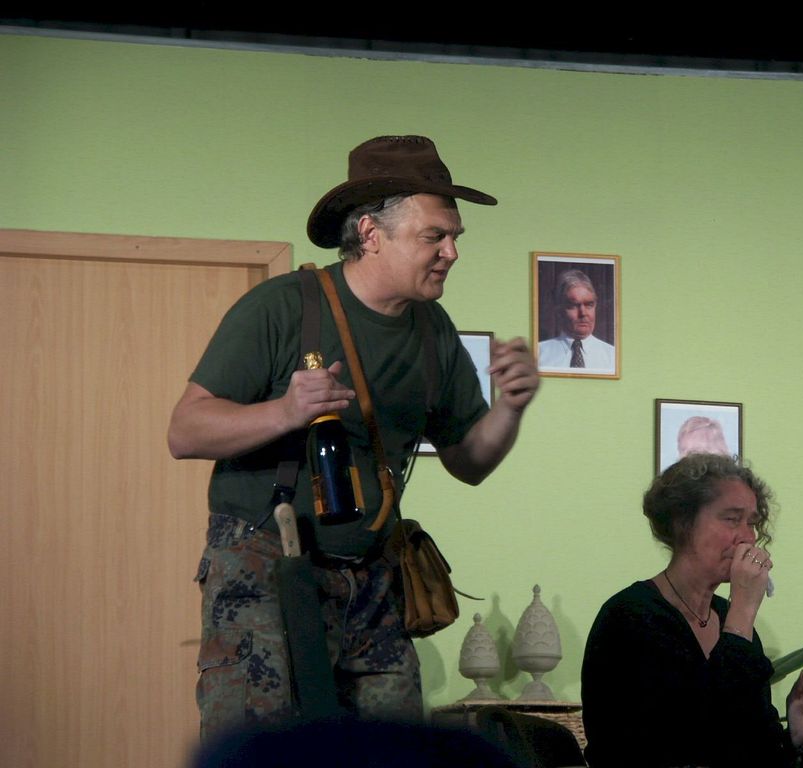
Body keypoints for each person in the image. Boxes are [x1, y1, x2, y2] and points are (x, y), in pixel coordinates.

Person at [167, 134, 540, 740]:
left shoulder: (433, 330)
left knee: (392, 751)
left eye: (455, 237)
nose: (451, 252)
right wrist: (286, 411)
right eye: (434, 236)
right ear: (370, 233)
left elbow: (469, 461)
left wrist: (512, 408)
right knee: (263, 752)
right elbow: (185, 430)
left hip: (371, 576)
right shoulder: (281, 307)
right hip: (268, 568)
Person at [581, 453, 803, 768]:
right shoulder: (630, 616)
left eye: (752, 523)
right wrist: (743, 610)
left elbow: (748, 749)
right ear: (682, 522)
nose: (748, 537)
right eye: (732, 519)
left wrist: (795, 740)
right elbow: (696, 736)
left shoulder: (730, 618)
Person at [537, 269, 615, 371]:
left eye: (589, 305)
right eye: (573, 305)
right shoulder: (539, 354)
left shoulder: (612, 357)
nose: (583, 313)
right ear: (559, 310)